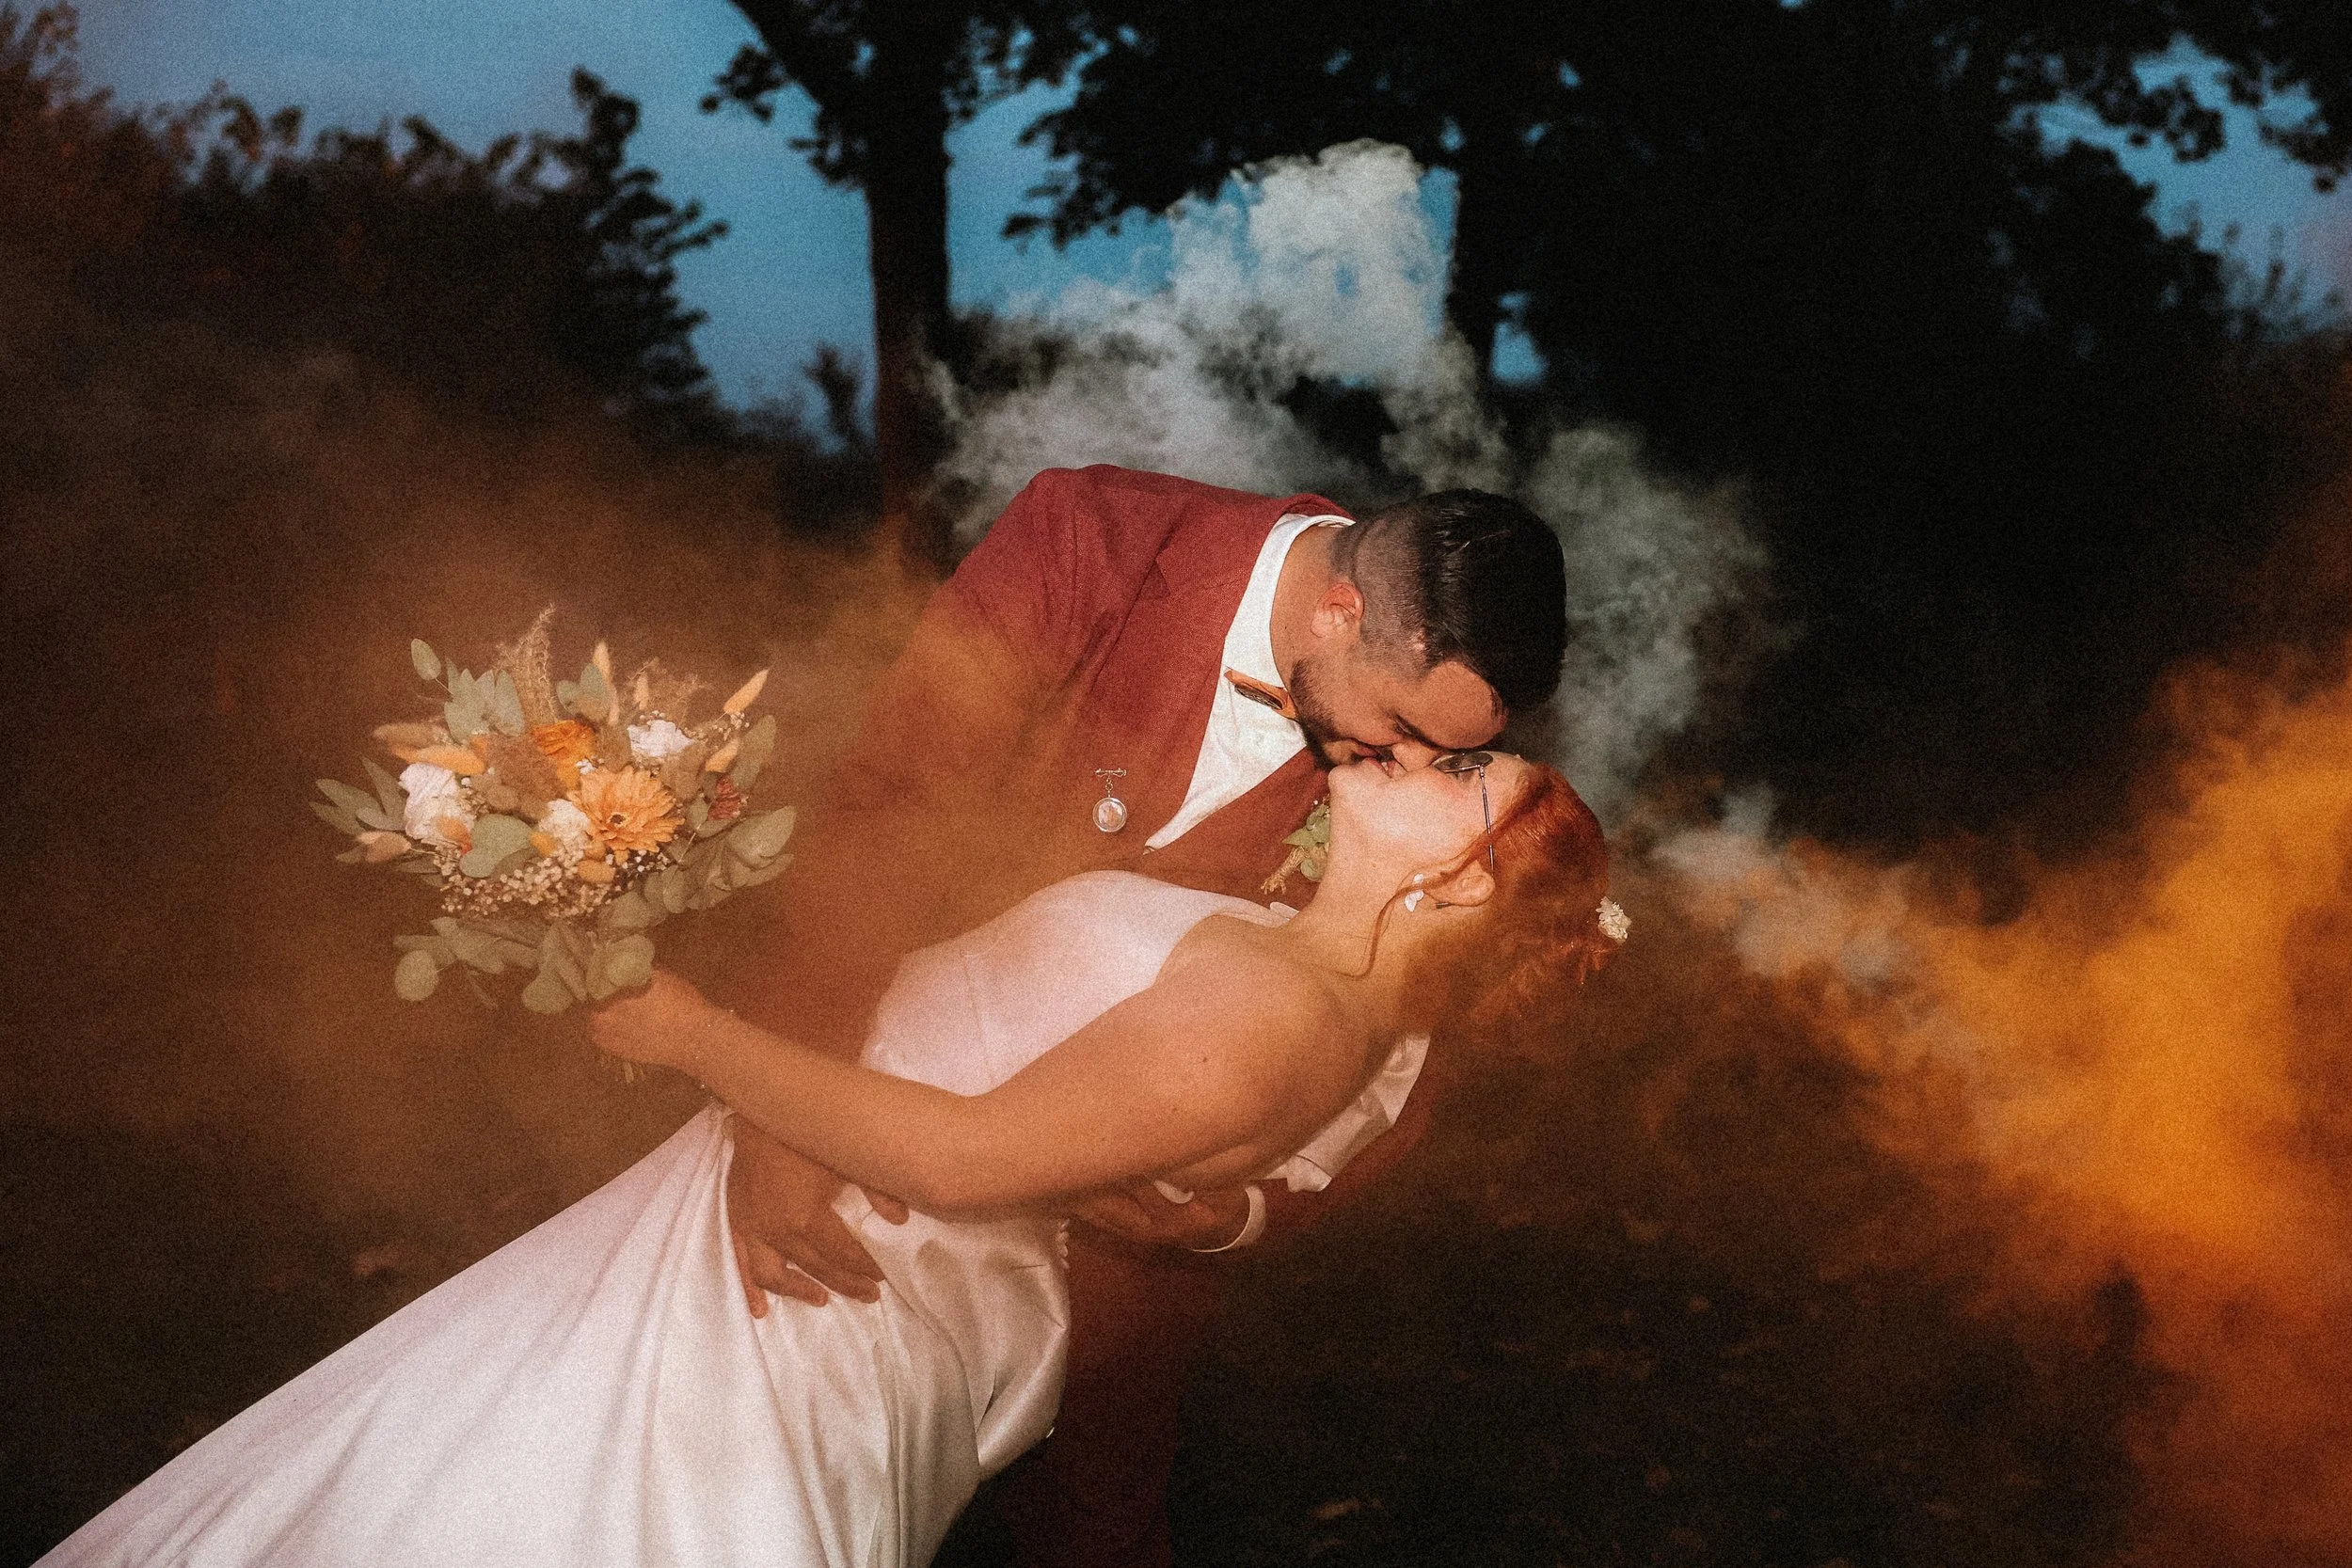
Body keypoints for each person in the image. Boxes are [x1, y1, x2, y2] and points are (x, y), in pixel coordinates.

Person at [40, 751, 1613, 1568]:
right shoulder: (1292, 963)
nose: (1416, 751)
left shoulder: (1280, 1015)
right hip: (787, 1246)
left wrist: (696, 1033)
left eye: (1461, 780)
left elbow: (963, 1152)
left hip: (821, 1299)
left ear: (1461, 890)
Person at [721, 466, 1568, 1566]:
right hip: (882, 1095)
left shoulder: (1406, 786)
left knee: (1101, 1520)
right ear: (1339, 609)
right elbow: (886, 809)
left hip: (1135, 1220)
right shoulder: (1089, 540)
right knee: (783, 1463)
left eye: (1441, 754)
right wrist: (785, 1105)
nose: (1405, 764)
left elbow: (1415, 1033)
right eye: (1401, 725)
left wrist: (1240, 1213)